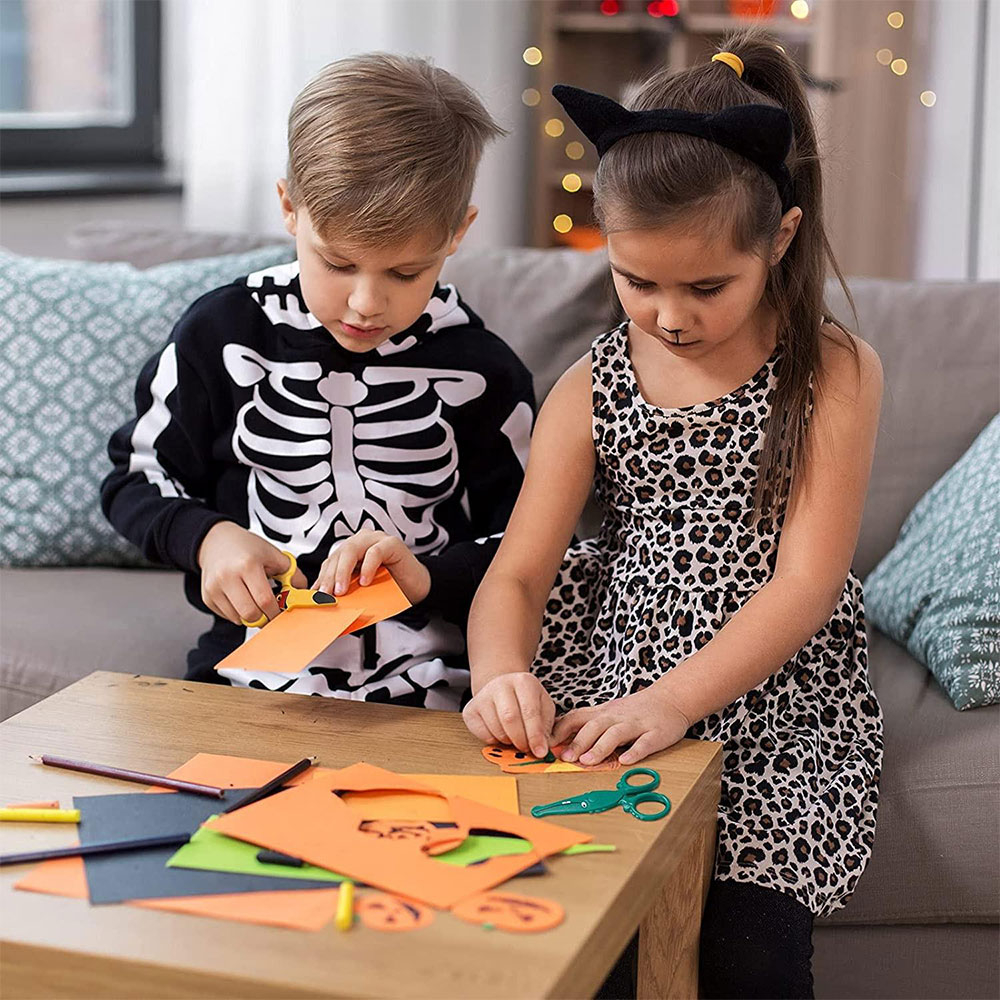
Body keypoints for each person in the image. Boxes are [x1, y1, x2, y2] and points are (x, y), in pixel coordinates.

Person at [462, 29, 882, 999]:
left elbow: (807, 581)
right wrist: (497, 676)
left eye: (704, 287)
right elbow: (519, 574)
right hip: (613, 701)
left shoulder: (834, 372)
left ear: (777, 239)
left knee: (750, 956)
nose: (667, 317)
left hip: (771, 715)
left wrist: (673, 703)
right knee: (590, 948)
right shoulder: (591, 384)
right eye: (634, 281)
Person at [102, 54, 534, 710]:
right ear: (289, 210)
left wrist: (427, 577)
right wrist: (209, 539)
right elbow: (134, 478)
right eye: (338, 262)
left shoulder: (483, 369)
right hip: (248, 674)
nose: (365, 303)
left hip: (437, 684)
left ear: (458, 235)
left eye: (405, 273)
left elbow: (532, 543)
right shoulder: (221, 333)